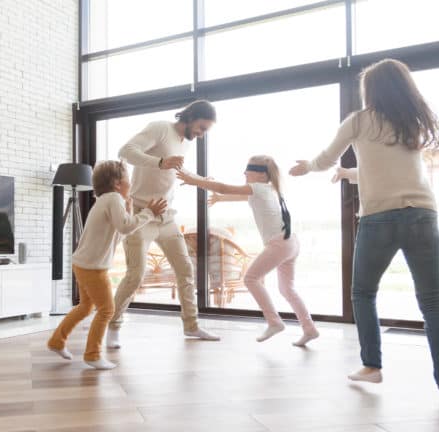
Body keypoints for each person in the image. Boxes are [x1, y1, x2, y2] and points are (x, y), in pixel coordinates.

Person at [289, 59, 439, 405]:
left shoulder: (359, 121)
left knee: (364, 293)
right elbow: (388, 170)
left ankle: (372, 365)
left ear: (371, 90)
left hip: (379, 218)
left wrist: (308, 166)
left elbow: (325, 158)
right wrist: (349, 175)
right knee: (433, 302)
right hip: (422, 215)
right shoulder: (413, 122)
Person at [107, 100, 220, 349]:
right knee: (135, 274)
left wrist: (201, 179)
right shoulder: (160, 128)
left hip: (166, 217)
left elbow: (173, 169)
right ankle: (113, 325)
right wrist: (159, 162)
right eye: (201, 128)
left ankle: (191, 326)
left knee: (185, 270)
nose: (201, 135)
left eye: (205, 131)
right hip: (142, 214)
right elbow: (126, 151)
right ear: (191, 117)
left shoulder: (185, 142)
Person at [177, 155, 319, 346]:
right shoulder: (269, 188)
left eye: (248, 169)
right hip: (291, 242)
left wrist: (194, 181)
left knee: (250, 279)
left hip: (279, 243)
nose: (244, 172)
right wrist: (221, 199)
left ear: (261, 175)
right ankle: (309, 329)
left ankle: (274, 322)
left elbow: (224, 187)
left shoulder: (259, 187)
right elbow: (238, 195)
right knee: (287, 288)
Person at [47, 160, 167, 369]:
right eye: (128, 179)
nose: (131, 183)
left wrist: (129, 211)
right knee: (107, 310)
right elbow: (126, 227)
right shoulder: (113, 199)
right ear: (117, 183)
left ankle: (57, 341)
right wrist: (149, 213)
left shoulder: (106, 200)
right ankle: (92, 355)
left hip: (82, 264)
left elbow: (117, 234)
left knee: (85, 307)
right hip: (93, 267)